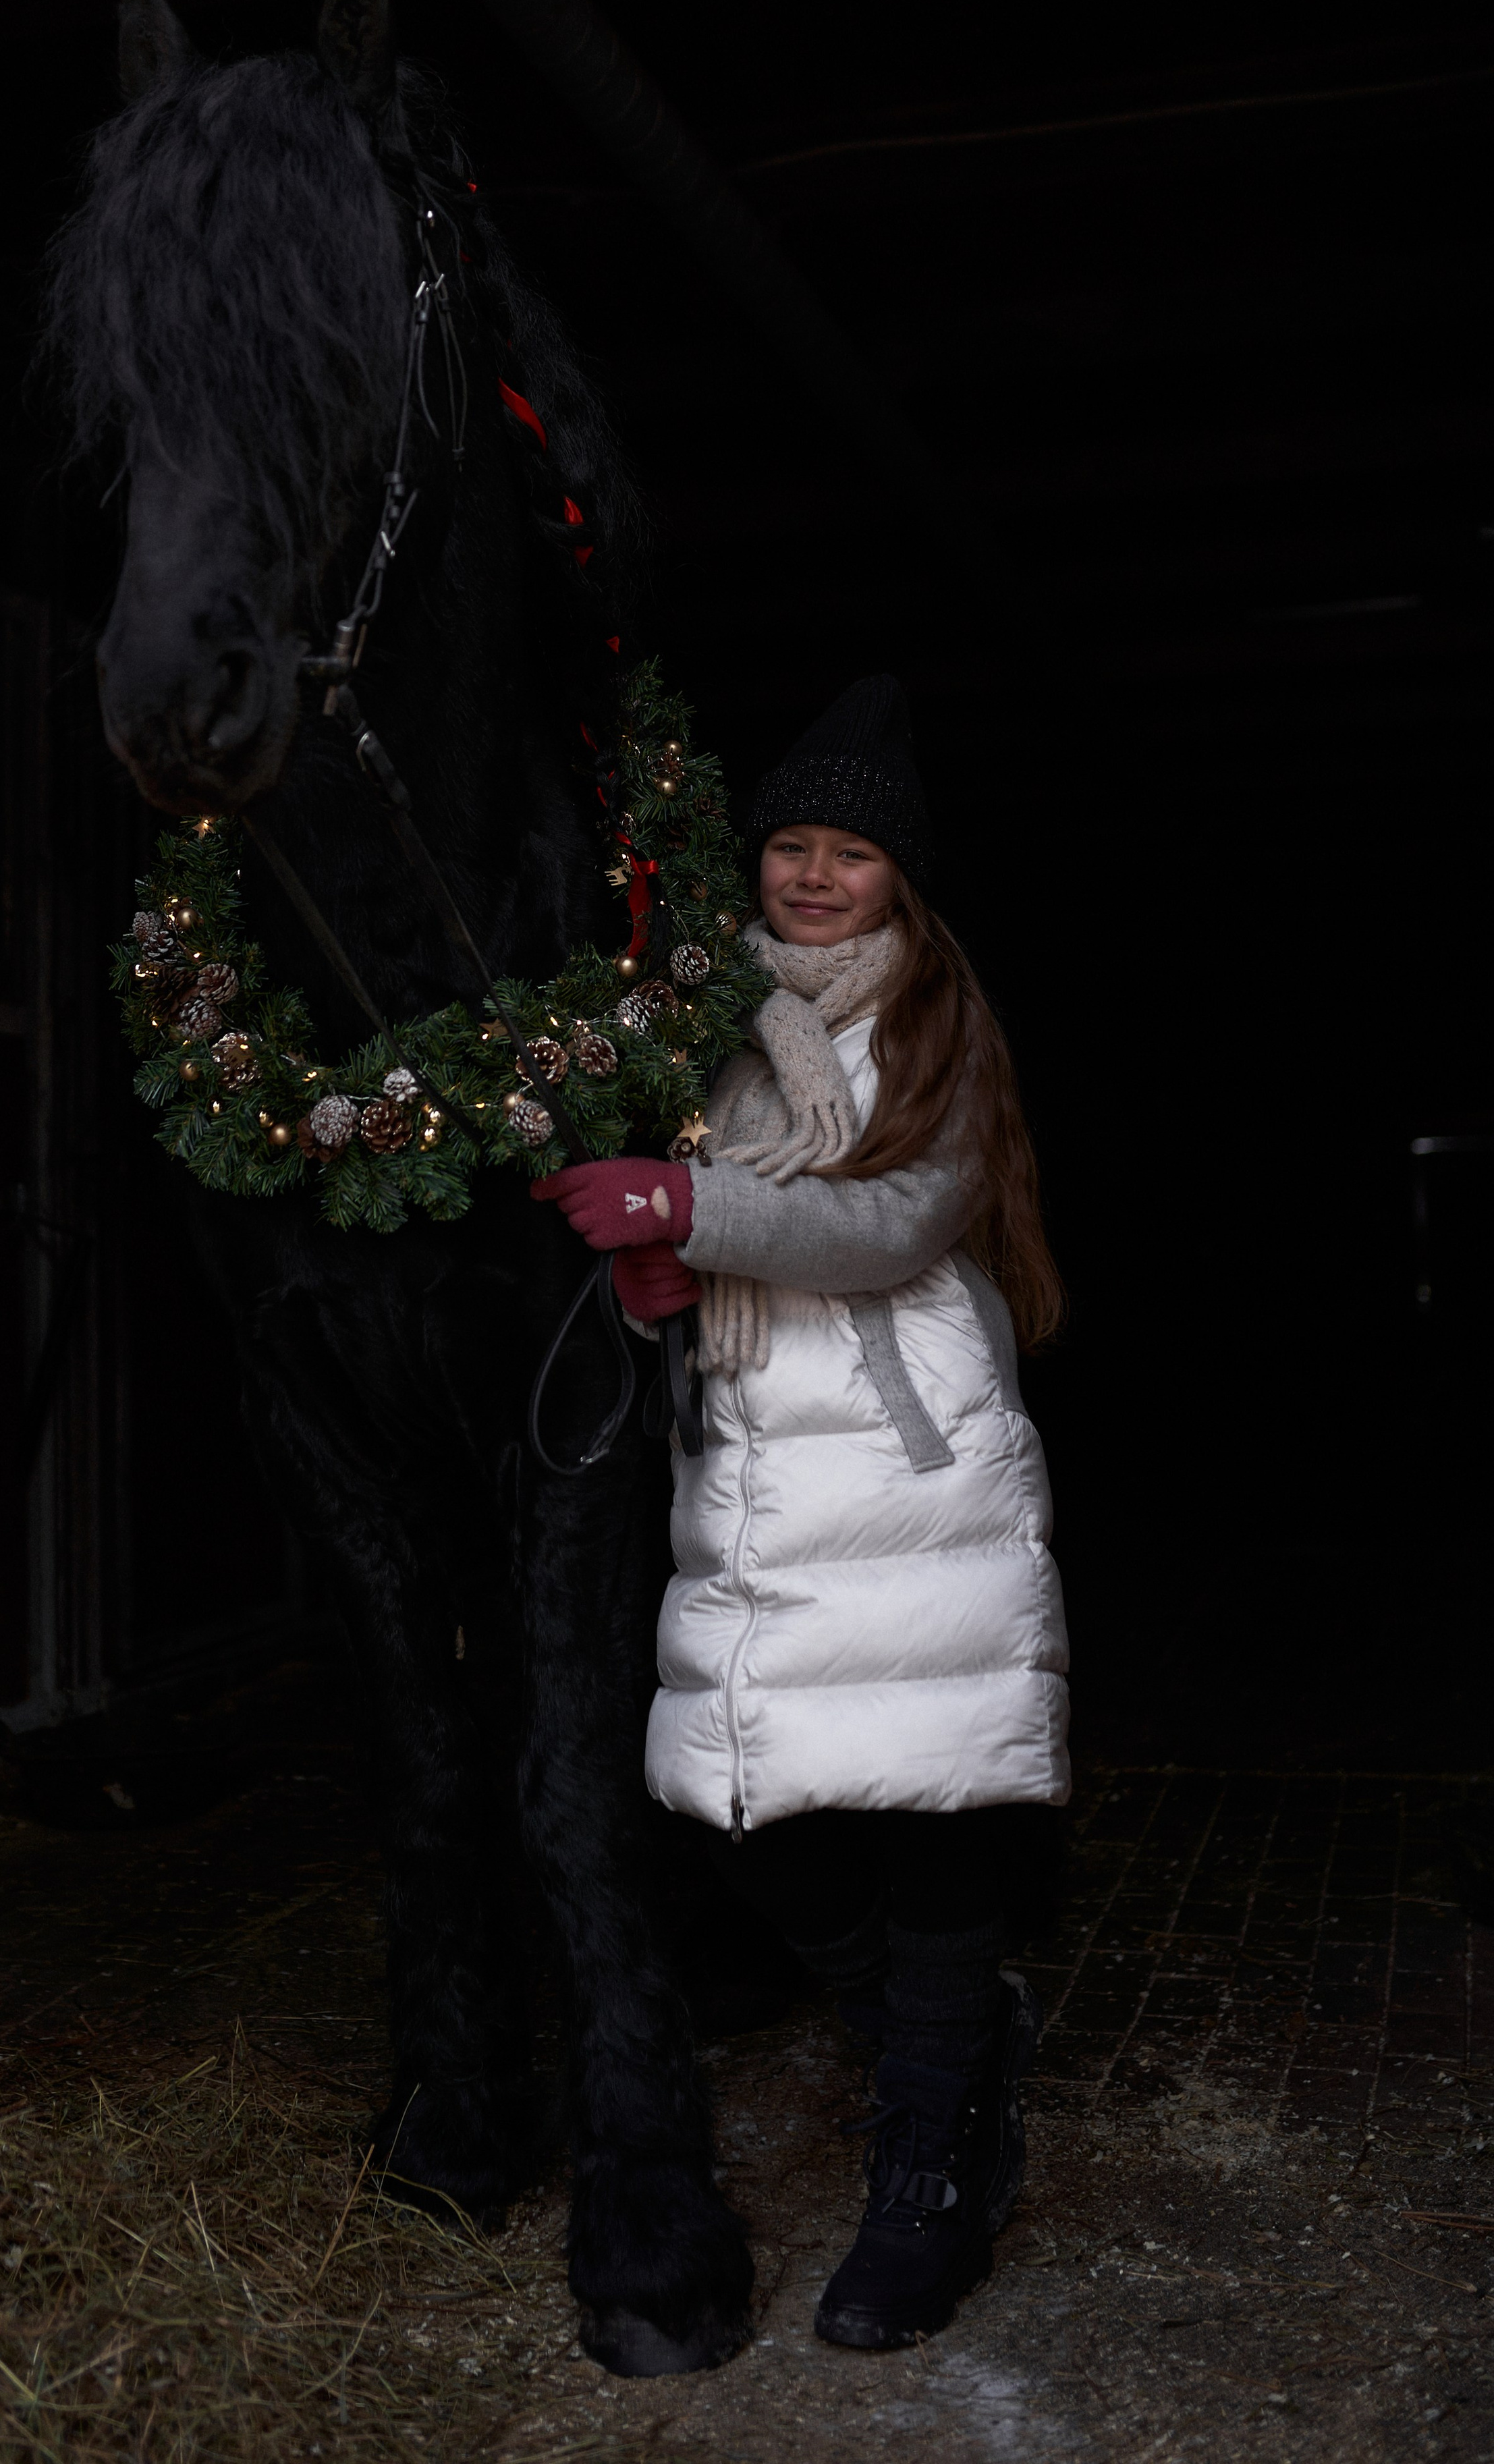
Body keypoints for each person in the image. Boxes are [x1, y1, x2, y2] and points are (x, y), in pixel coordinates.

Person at [533, 672, 1070, 2352]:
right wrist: (658, 1279)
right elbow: (714, 1236)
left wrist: (684, 1207)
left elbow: (893, 1224)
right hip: (753, 1467)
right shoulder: (713, 1030)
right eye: (791, 847)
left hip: (907, 1471)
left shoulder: (933, 1024)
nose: (816, 877)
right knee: (744, 1810)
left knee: (930, 1809)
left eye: (852, 852)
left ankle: (927, 2172)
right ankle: (948, 2063)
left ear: (899, 878)